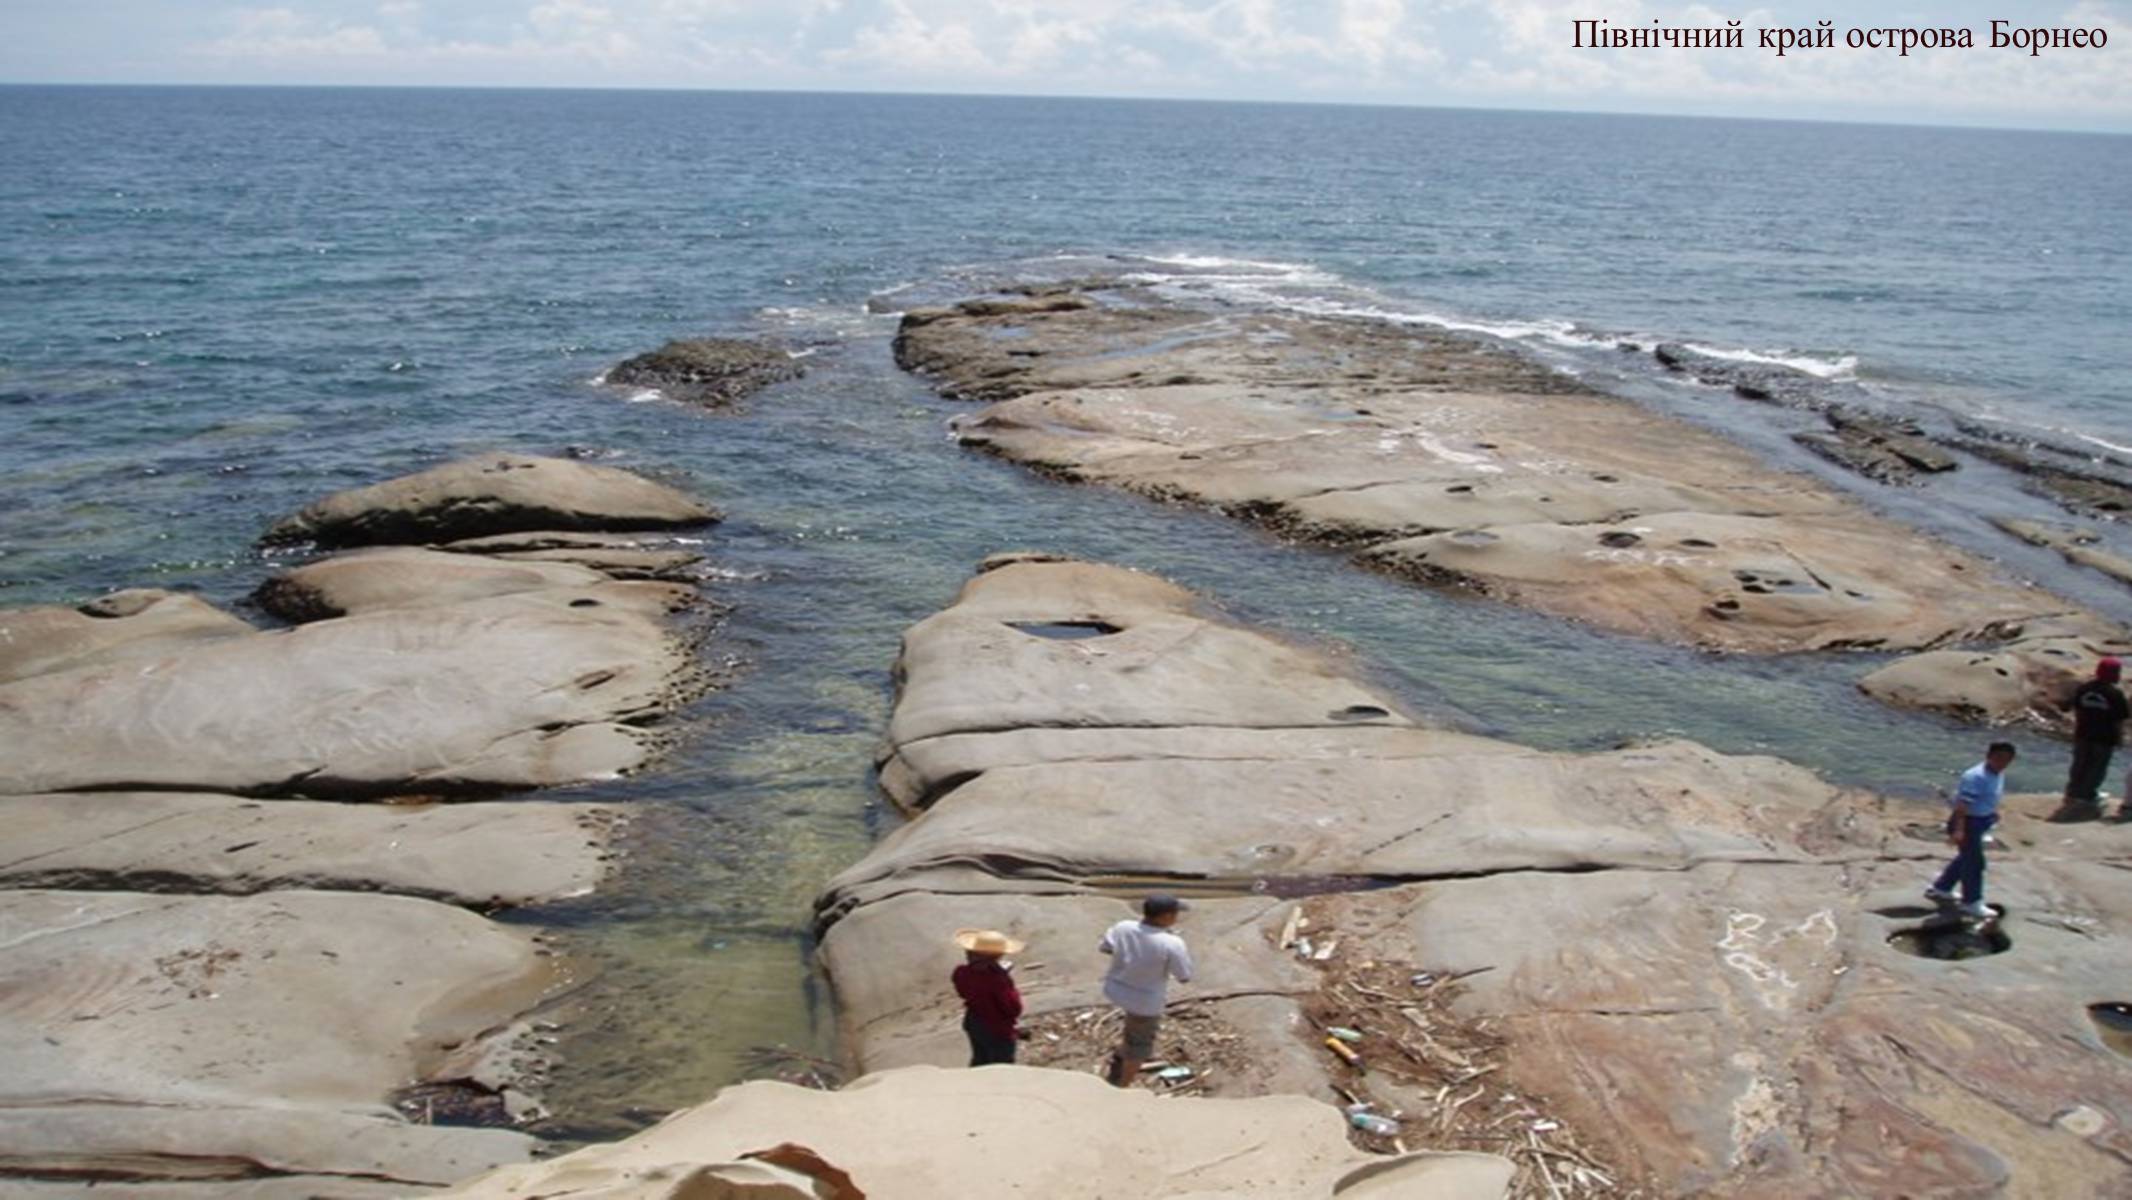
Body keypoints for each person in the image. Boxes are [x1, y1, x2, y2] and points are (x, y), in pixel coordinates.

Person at [1098, 894, 1193, 1087]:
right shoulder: (1171, 943)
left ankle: (1122, 1053)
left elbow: (1106, 948)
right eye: (1175, 914)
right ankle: (1123, 1085)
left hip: (1115, 989)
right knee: (1140, 1043)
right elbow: (1184, 976)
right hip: (1144, 1001)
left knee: (1133, 1027)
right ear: (1166, 917)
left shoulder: (1123, 927)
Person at [1926, 742, 2016, 920]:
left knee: (1966, 857)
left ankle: (1941, 887)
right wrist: (1959, 830)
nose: (2001, 762)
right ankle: (1971, 902)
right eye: (1998, 758)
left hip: (1981, 820)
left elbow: (1990, 796)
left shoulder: (1998, 773)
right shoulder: (1975, 776)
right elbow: (1961, 806)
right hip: (1967, 823)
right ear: (1988, 756)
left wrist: (1993, 813)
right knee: (1975, 864)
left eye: (2006, 759)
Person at [2049, 658, 2128, 823]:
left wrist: (2077, 729)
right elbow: (2118, 720)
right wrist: (2120, 738)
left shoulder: (2085, 688)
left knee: (2079, 763)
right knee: (2097, 767)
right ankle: (2087, 796)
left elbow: (2078, 710)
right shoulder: (2115, 694)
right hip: (2104, 737)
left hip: (2083, 734)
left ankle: (2072, 792)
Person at [950, 928, 1025, 1066]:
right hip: (996, 1028)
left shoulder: (961, 973)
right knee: (1002, 1064)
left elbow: (964, 991)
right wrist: (1003, 976)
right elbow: (1013, 1008)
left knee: (980, 1059)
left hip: (974, 1020)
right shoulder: (998, 981)